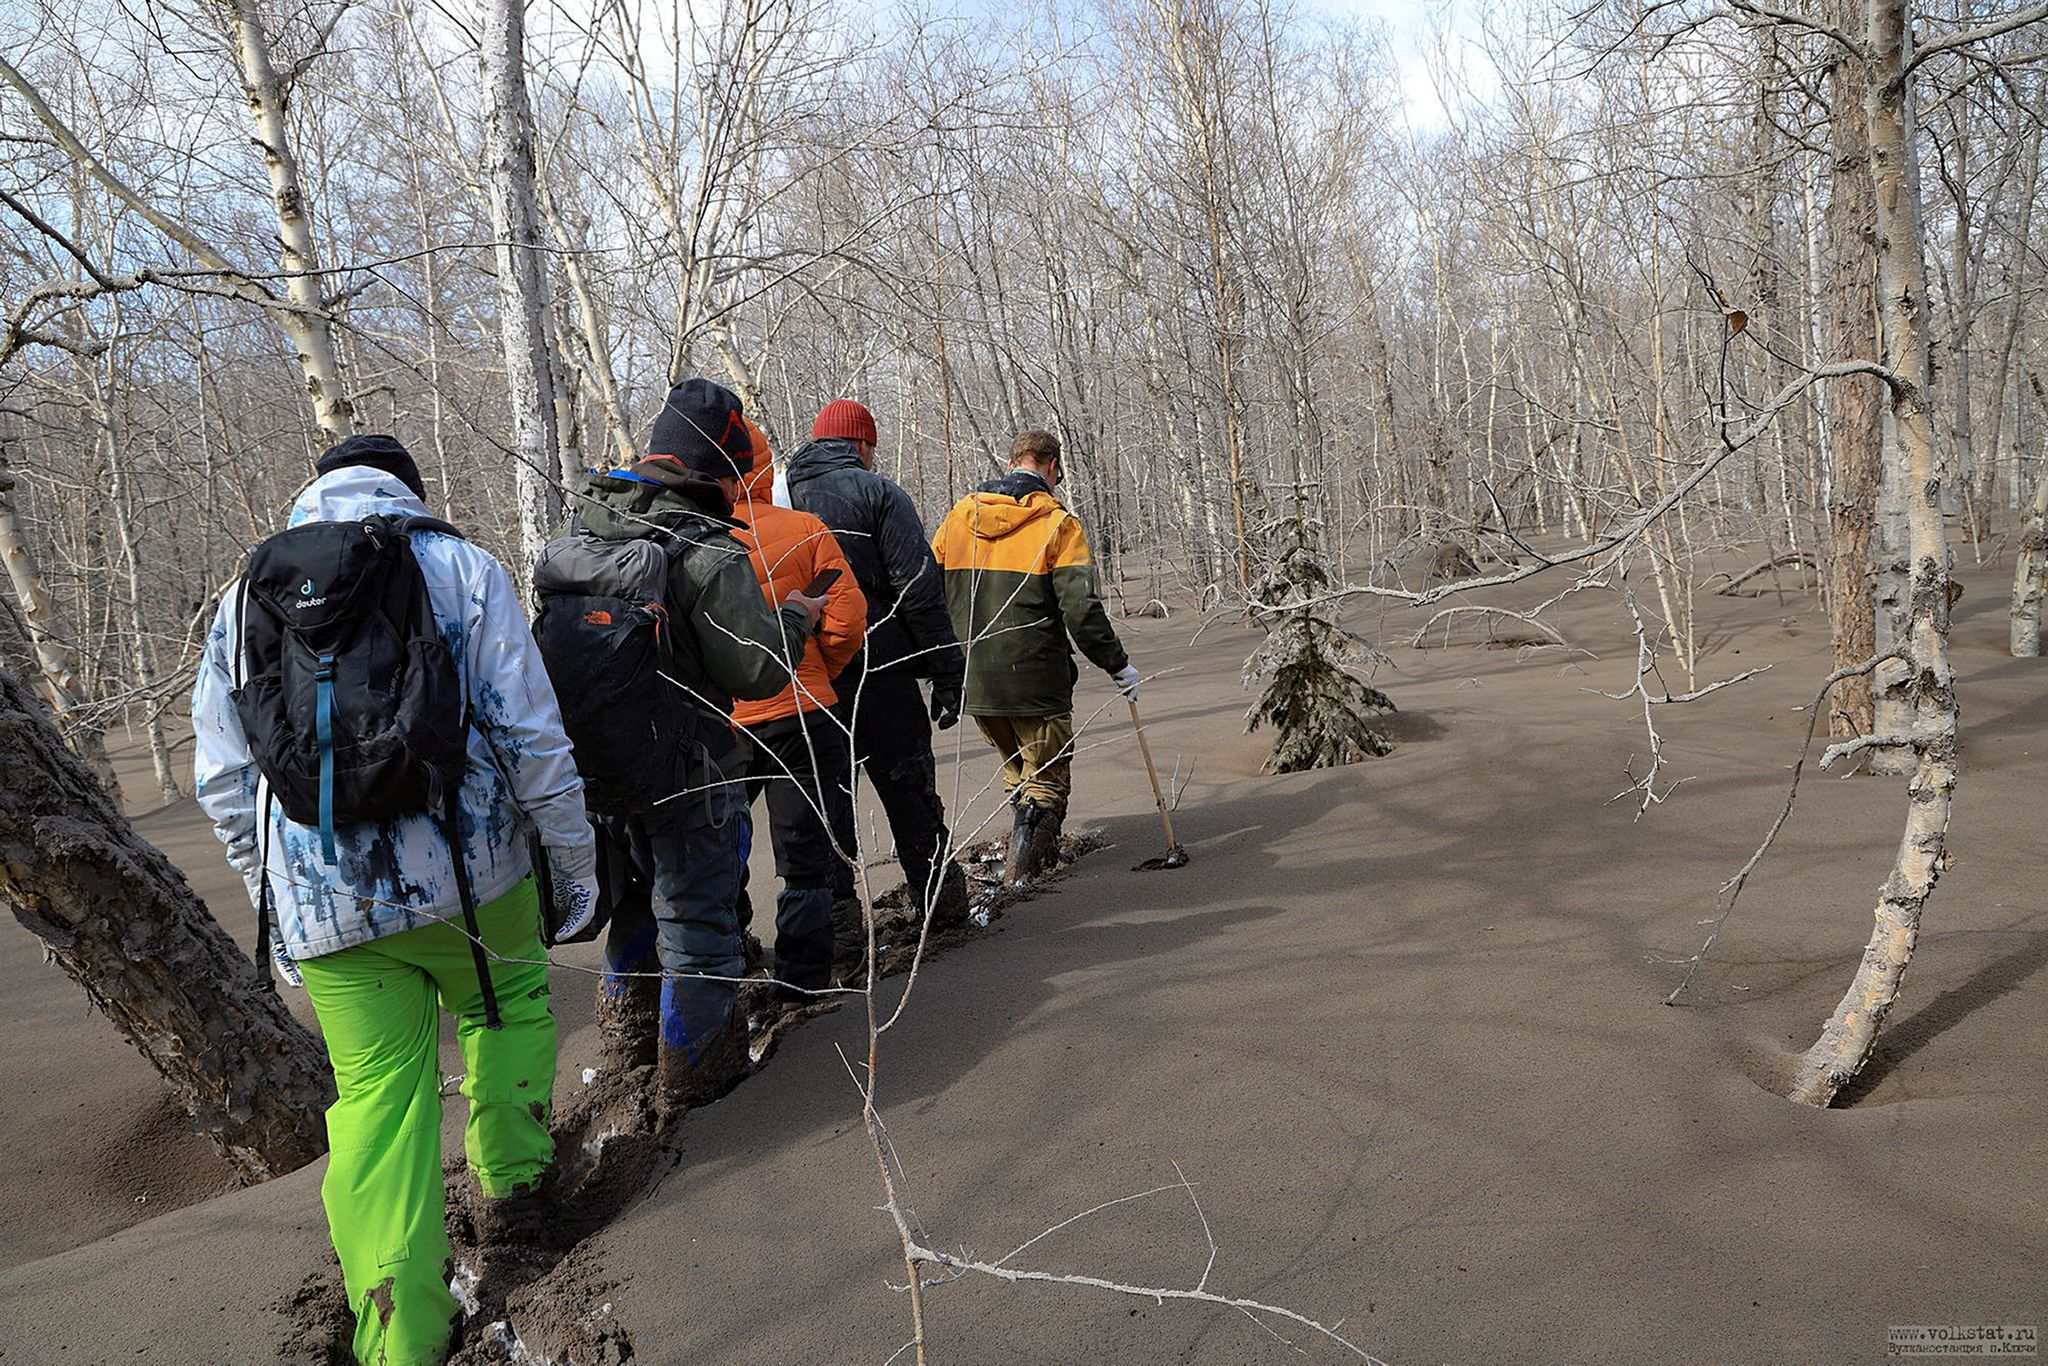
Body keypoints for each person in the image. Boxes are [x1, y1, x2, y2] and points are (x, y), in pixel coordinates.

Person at [193, 434, 599, 1366]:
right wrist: (571, 860)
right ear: (405, 493)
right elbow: (529, 731)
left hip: (326, 903)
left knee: (378, 1099)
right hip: (473, 877)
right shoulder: (459, 567)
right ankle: (517, 1199)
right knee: (509, 1011)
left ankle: (400, 1332)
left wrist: (276, 905)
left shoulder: (244, 600)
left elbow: (227, 778)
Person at [567, 379, 826, 1107]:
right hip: (690, 768)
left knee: (635, 905)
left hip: (598, 767)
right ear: (723, 463)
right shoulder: (704, 546)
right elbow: (756, 668)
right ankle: (697, 1080)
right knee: (697, 919)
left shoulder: (584, 529)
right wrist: (798, 616)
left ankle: (625, 1045)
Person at [781, 399, 969, 930]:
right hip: (882, 672)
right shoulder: (878, 493)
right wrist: (947, 669)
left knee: (826, 807)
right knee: (908, 791)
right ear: (862, 446)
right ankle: (940, 905)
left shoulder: (774, 496)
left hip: (808, 679)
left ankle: (837, 929)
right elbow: (918, 589)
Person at [929, 428, 1140, 881]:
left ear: (1011, 464)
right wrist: (1117, 665)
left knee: (1017, 774)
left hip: (977, 683)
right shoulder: (1058, 525)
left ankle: (1022, 863)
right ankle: (1024, 878)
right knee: (1046, 781)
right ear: (1050, 467)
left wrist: (940, 667)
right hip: (1036, 682)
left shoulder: (959, 517)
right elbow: (1081, 610)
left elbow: (928, 597)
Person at [729, 418, 868, 998]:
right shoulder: (805, 530)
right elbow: (846, 617)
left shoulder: (688, 537)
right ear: (763, 465)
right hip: (802, 713)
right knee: (804, 853)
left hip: (721, 722)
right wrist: (817, 670)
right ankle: (802, 980)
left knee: (716, 847)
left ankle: (729, 959)